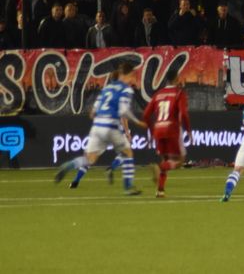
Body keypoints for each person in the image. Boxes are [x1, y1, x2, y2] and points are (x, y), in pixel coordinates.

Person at [53, 60, 147, 195]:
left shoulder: (107, 88)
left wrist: (95, 114)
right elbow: (123, 110)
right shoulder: (125, 89)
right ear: (129, 74)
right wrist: (137, 122)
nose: (133, 78)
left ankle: (69, 165)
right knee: (128, 153)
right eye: (133, 75)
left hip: (97, 126)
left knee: (90, 159)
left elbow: (93, 110)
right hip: (111, 125)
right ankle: (128, 187)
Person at [141, 66, 191, 198]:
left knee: (165, 158)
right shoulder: (179, 93)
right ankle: (159, 167)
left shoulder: (158, 94)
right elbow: (184, 114)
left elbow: (146, 115)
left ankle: (160, 190)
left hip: (158, 129)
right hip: (172, 128)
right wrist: (188, 130)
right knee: (180, 161)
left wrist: (152, 131)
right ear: (176, 79)